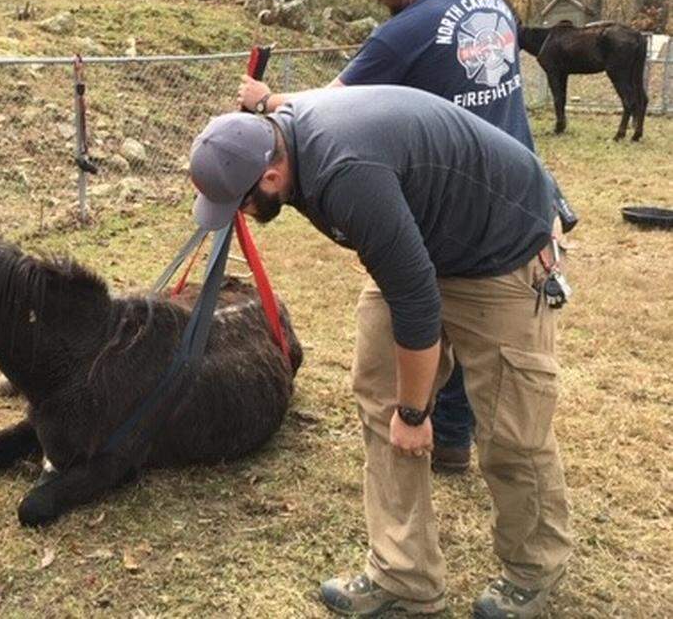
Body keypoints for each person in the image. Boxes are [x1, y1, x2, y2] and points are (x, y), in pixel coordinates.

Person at [189, 86, 572, 619]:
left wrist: (415, 414)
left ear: (271, 177)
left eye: (241, 204)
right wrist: (399, 405)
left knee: (513, 427)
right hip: (425, 241)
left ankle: (533, 568)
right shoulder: (281, 127)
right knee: (379, 395)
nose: (243, 216)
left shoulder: (346, 173)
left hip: (501, 248)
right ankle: (404, 573)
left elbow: (416, 301)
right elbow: (409, 280)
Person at [238, 0, 535, 475]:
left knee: (424, 297)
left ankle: (433, 426)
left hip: (437, 187)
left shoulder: (406, 31)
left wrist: (266, 98)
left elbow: (333, 108)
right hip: (509, 173)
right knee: (462, 313)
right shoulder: (491, 4)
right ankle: (451, 436)